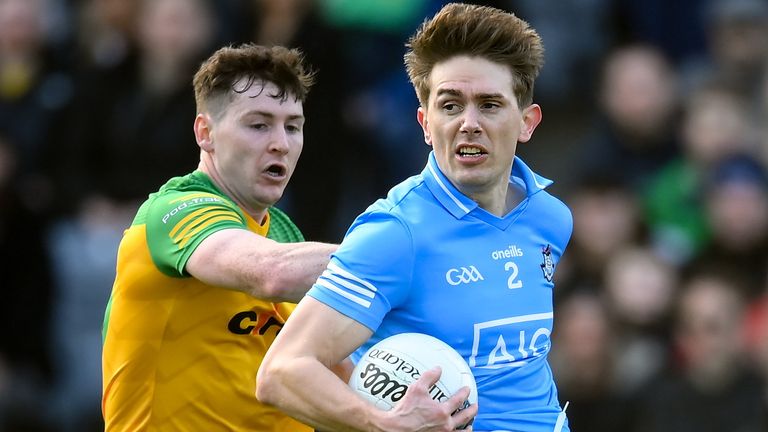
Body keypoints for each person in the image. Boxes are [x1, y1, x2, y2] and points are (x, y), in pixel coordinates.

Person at [257, 3, 573, 431]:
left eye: (490, 105)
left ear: (527, 122)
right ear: (425, 123)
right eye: (450, 105)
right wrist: (383, 425)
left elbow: (515, 365)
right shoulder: (396, 233)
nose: (469, 123)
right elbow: (282, 371)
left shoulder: (550, 216)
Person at [101, 43, 337, 431]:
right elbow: (270, 273)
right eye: (259, 125)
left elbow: (339, 370)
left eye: (292, 126)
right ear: (205, 132)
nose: (281, 142)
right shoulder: (174, 211)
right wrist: (409, 252)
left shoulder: (286, 236)